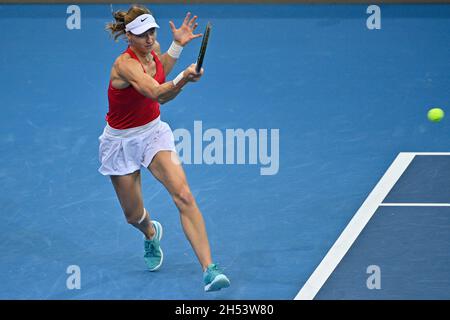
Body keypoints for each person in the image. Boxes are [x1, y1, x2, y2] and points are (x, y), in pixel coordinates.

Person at [100, 4, 230, 292]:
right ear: (129, 37)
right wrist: (184, 78)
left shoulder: (152, 50)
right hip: (120, 143)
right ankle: (150, 232)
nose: (149, 39)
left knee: (183, 195)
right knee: (133, 216)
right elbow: (158, 92)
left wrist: (177, 47)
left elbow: (160, 80)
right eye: (142, 35)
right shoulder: (125, 65)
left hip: (153, 134)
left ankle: (210, 269)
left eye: (152, 32)